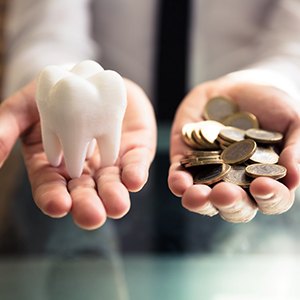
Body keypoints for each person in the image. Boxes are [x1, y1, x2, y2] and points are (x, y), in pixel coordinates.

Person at [1, 0, 300, 231]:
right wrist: (53, 86)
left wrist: (275, 83)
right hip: (109, 104)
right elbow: (46, 27)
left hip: (237, 97)